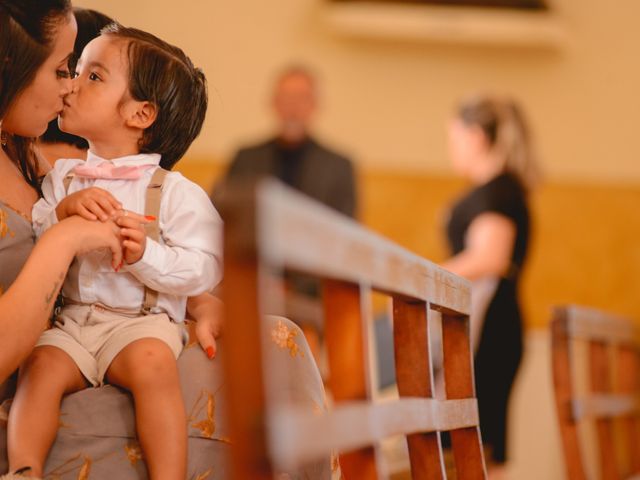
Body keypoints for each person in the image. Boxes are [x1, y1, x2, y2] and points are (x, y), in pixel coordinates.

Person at [7, 23, 221, 480]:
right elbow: (35, 227)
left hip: (139, 323)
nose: (72, 86)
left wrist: (148, 256)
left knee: (154, 365)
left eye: (93, 76)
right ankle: (23, 469)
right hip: (72, 319)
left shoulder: (174, 190)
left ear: (141, 115)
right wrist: (62, 212)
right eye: (75, 70)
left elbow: (206, 265)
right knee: (40, 366)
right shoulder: (63, 176)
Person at [442, 94, 539, 478]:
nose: (450, 149)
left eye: (453, 138)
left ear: (477, 136)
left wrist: (423, 276)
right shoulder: (500, 189)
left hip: (490, 328)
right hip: (495, 321)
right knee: (476, 445)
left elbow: (488, 258)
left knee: (476, 447)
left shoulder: (497, 190)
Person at [215, 64, 356, 217]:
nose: (293, 108)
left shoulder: (338, 166)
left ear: (314, 105)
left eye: (301, 98)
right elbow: (223, 211)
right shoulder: (246, 158)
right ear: (274, 103)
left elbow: (346, 225)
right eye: (286, 98)